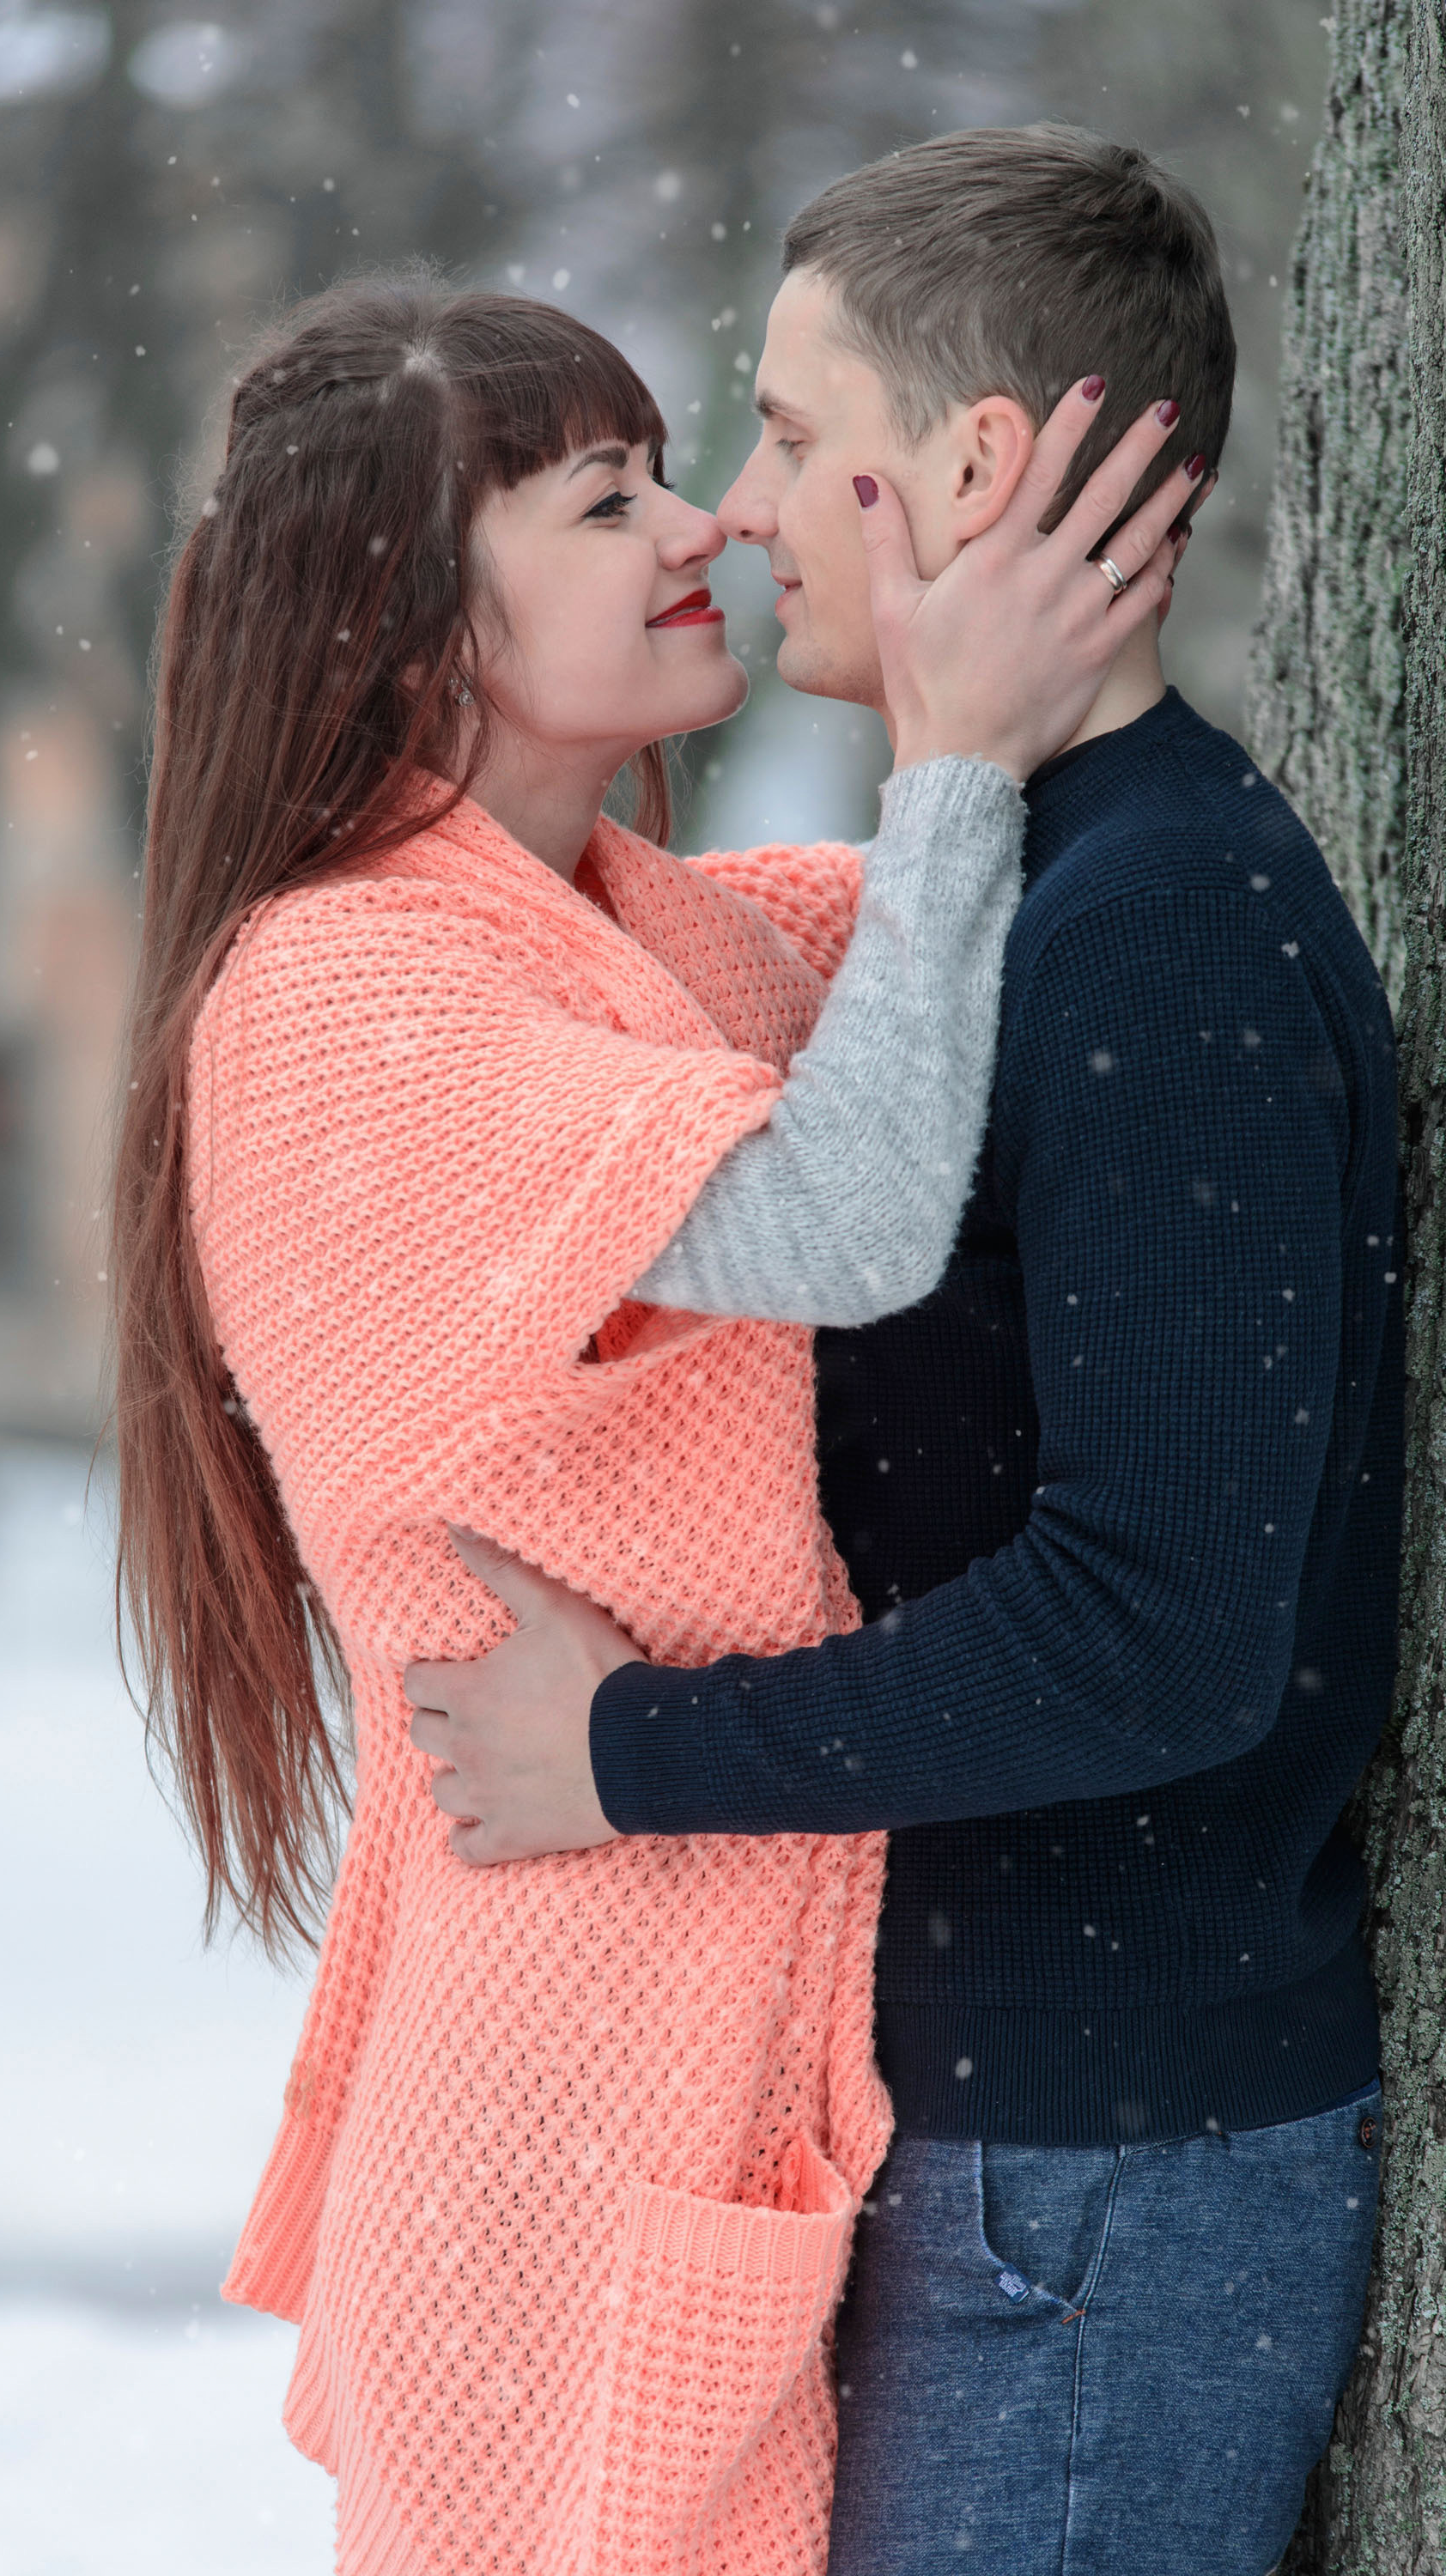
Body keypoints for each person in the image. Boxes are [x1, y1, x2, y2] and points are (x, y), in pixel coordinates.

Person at [111, 263, 1188, 2574]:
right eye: (612, 498)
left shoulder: (628, 923)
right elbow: (849, 1206)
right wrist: (961, 749)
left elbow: (986, 947)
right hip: (568, 2111)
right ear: (412, 631)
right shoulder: (346, 993)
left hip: (689, 2029)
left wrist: (1006, 661)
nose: (704, 523)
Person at [405, 128, 1403, 2576]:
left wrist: (630, 1754)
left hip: (1101, 2185)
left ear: (967, 464)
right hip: (1014, 2155)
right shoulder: (1037, 891)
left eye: (774, 423)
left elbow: (1164, 1631)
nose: (737, 510)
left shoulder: (1158, 925)